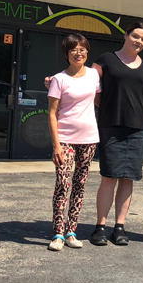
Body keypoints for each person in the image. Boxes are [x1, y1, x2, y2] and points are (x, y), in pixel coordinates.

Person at [89, 23, 143, 246]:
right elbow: (89, 87)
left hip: (137, 128)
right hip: (111, 126)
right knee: (109, 177)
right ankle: (100, 227)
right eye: (135, 36)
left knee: (128, 179)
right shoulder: (106, 59)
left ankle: (120, 227)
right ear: (126, 35)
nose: (139, 42)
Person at [46, 34, 101, 251]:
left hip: (89, 139)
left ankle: (71, 231)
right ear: (66, 54)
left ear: (87, 52)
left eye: (82, 49)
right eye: (73, 50)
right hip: (66, 139)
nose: (78, 53)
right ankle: (58, 233)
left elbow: (100, 99)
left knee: (79, 185)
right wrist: (56, 145)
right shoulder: (59, 79)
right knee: (63, 183)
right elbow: (52, 113)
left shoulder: (94, 75)